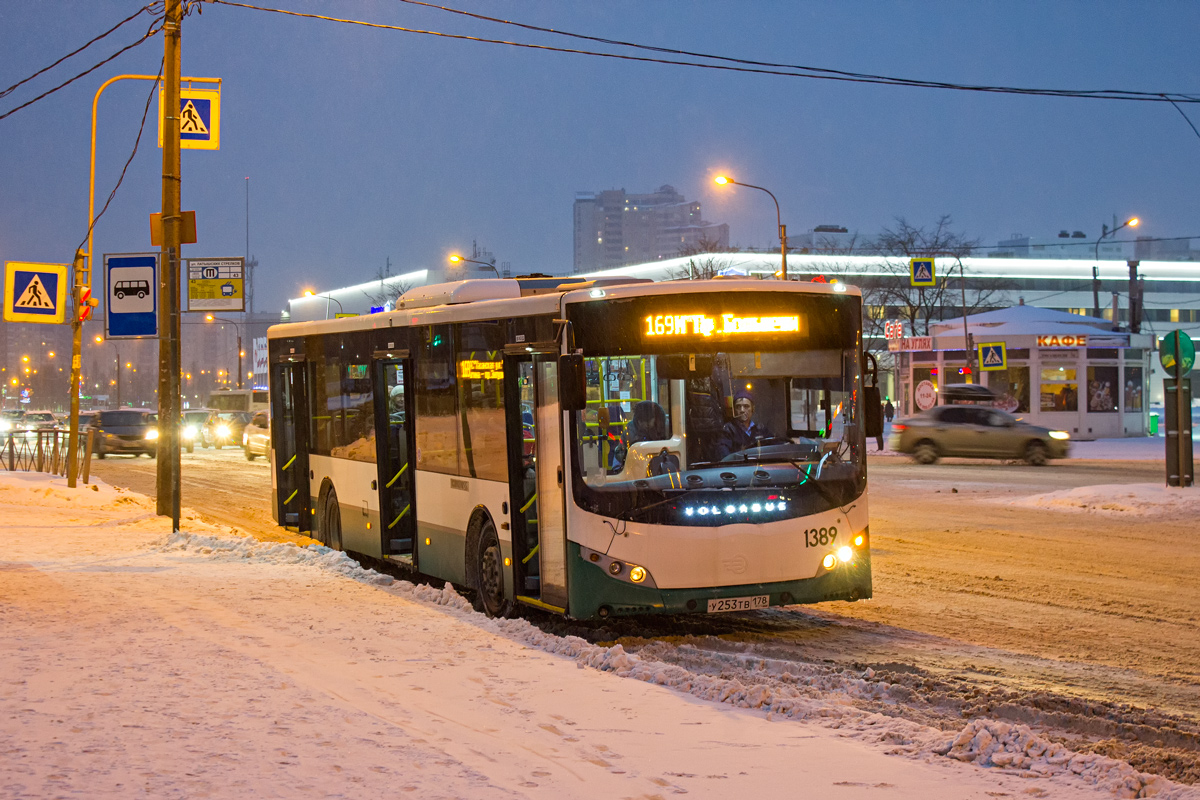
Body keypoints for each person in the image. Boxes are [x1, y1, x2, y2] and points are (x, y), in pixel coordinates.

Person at [715, 391, 774, 459]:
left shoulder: (761, 429)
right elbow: (724, 455)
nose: (742, 410)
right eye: (738, 407)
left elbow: (774, 446)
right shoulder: (728, 430)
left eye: (746, 406)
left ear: (753, 409)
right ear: (734, 410)